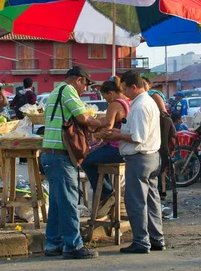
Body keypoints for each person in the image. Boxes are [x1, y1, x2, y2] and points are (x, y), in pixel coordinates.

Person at [41, 66, 102, 260]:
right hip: (60, 155)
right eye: (85, 84)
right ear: (79, 80)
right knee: (68, 201)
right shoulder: (68, 91)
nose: (85, 89)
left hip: (50, 154)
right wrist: (103, 123)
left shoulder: (54, 91)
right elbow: (83, 117)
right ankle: (73, 245)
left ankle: (53, 243)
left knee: (58, 202)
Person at [101, 70, 164, 254]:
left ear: (133, 87)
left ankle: (141, 241)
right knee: (152, 200)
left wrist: (117, 134)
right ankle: (156, 238)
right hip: (152, 156)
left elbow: (138, 137)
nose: (124, 93)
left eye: (125, 89)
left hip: (140, 157)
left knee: (136, 201)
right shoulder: (148, 102)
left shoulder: (139, 106)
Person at [81, 76, 129, 219]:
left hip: (116, 149)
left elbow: (108, 125)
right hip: (125, 148)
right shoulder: (127, 102)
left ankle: (106, 194)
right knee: (98, 162)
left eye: (105, 96)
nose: (105, 100)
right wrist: (96, 124)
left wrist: (94, 130)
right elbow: (107, 121)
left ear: (111, 93)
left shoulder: (115, 104)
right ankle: (106, 193)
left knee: (85, 159)